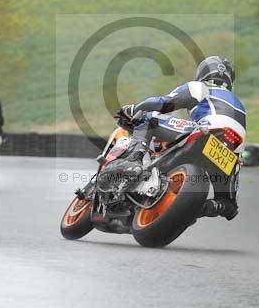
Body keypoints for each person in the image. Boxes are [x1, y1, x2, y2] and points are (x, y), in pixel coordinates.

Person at [104, 56, 246, 220]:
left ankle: (134, 160)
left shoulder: (200, 87)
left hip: (206, 130)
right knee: (228, 205)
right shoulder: (239, 104)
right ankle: (199, 208)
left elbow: (164, 102)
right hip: (231, 149)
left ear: (203, 73)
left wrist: (134, 108)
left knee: (148, 118)